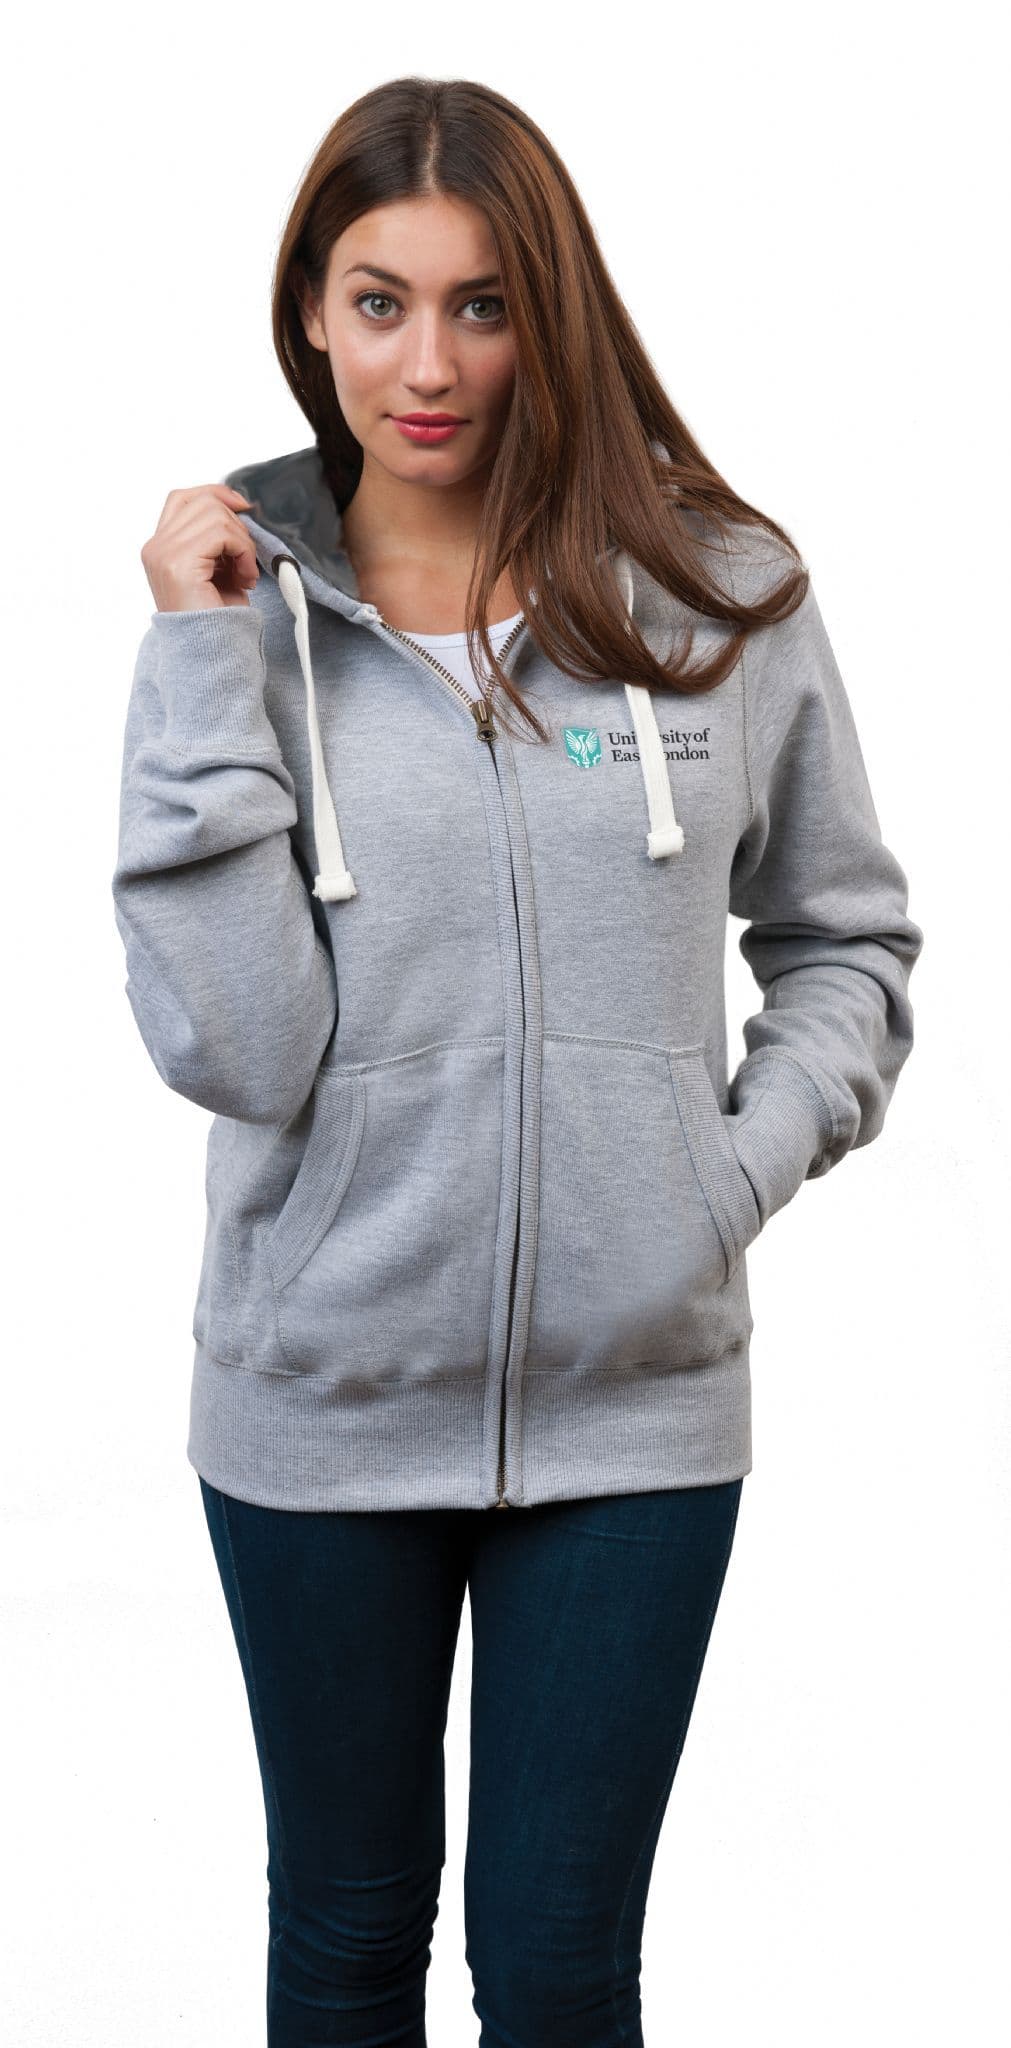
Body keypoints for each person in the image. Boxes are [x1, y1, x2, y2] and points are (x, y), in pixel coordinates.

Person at [111, 75, 924, 2048]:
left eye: (481, 305)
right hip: (318, 1400)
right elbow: (238, 1045)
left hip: (636, 1415)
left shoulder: (717, 596)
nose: (430, 365)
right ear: (310, 313)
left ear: (545, 314)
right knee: (345, 1950)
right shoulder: (238, 628)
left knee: (559, 1973)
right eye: (379, 301)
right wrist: (205, 665)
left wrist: (717, 1179)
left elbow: (843, 939)